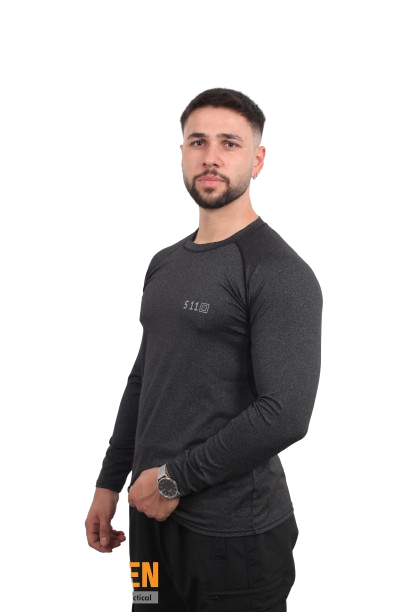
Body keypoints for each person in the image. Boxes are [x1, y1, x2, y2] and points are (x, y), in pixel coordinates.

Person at [84, 86, 323, 611]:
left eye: (229, 143)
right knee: (147, 606)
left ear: (257, 160)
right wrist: (108, 483)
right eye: (198, 142)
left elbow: (286, 414)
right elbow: (144, 378)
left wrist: (172, 481)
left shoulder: (280, 272)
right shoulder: (165, 262)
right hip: (146, 523)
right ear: (183, 154)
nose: (211, 156)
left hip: (234, 541)